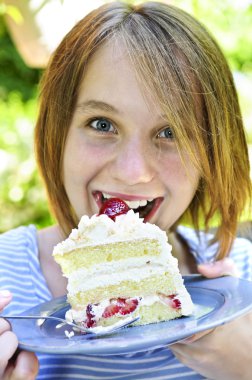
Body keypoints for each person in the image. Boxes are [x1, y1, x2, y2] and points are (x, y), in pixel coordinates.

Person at [0, 1, 251, 379]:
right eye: (102, 124)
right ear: (57, 134)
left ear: (212, 153)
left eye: (170, 133)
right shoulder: (6, 282)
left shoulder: (243, 277)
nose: (133, 172)